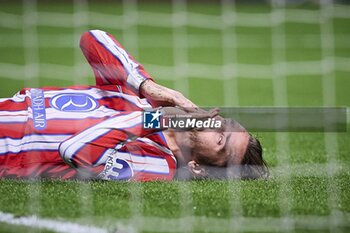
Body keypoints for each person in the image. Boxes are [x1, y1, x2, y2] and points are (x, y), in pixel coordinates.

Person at [0, 30, 268, 181]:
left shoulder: (158, 166)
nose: (214, 121)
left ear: (198, 166)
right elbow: (92, 39)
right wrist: (146, 86)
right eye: (226, 122)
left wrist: (160, 118)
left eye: (221, 138)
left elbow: (77, 150)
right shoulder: (140, 101)